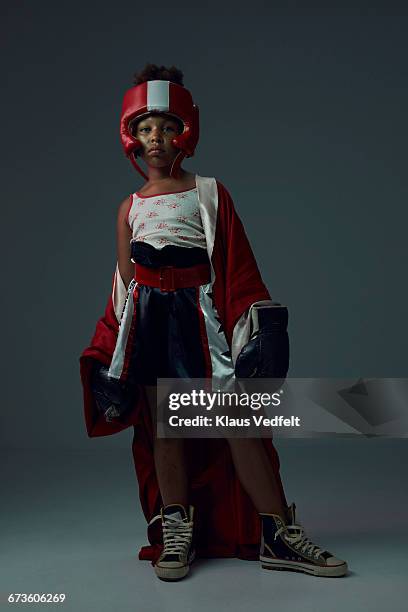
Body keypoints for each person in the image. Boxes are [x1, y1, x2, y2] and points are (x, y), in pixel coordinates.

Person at [79, 63, 348, 581]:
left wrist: (258, 323)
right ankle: (176, 532)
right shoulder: (128, 208)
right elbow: (123, 288)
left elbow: (237, 268)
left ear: (186, 131)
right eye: (145, 128)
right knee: (167, 433)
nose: (156, 137)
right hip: (151, 327)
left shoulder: (209, 192)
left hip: (202, 323)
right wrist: (110, 357)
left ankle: (277, 533)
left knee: (239, 427)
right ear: (130, 136)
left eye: (166, 126)